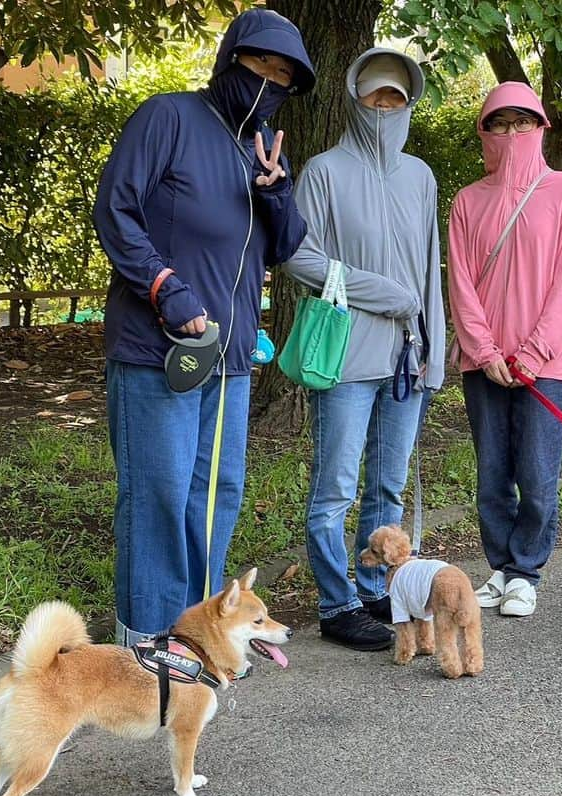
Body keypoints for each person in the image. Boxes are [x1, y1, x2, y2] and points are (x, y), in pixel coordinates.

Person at [93, 9, 315, 647]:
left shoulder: (262, 147)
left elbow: (285, 246)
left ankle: (195, 639)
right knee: (158, 494)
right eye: (262, 66)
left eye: (285, 77)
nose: (272, 81)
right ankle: (149, 644)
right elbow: (117, 210)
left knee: (215, 494)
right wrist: (166, 288)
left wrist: (276, 191)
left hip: (231, 356)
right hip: (159, 351)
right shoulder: (169, 117)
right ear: (231, 60)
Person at [284, 48, 446, 651]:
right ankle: (336, 603)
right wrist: (384, 295)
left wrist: (435, 345)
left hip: (409, 358)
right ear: (356, 100)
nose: (385, 106)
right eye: (376, 95)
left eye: (396, 98)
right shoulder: (325, 171)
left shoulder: (420, 176)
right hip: (348, 359)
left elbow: (430, 268)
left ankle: (376, 585)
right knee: (336, 489)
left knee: (388, 487)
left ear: (408, 105)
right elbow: (297, 256)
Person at [447, 81, 562, 618]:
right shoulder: (467, 200)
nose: (511, 133)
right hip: (483, 364)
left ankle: (526, 571)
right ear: (485, 131)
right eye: (499, 123)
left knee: (536, 472)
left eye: (521, 122)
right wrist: (485, 351)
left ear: (540, 127)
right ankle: (501, 567)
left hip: (544, 366)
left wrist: (530, 354)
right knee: (492, 474)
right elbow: (460, 283)